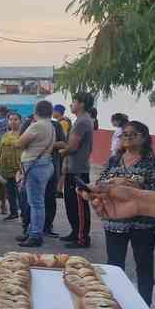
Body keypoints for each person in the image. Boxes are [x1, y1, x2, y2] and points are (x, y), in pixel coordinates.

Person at [96, 121, 155, 305]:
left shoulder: (154, 162)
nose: (127, 137)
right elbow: (99, 182)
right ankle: (114, 305)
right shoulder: (114, 160)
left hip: (144, 223)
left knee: (144, 266)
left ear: (144, 138)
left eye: (133, 134)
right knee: (114, 266)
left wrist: (133, 186)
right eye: (124, 134)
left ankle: (144, 305)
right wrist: (106, 186)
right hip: (115, 222)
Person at [55, 92, 96, 248]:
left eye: (74, 101)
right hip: (73, 168)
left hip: (78, 169)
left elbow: (72, 147)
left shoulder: (82, 121)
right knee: (71, 204)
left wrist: (58, 152)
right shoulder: (80, 120)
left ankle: (82, 238)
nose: (71, 104)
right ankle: (75, 232)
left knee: (79, 206)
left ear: (82, 104)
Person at [15, 101, 56, 248]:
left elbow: (19, 143)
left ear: (36, 111)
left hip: (35, 165)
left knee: (36, 203)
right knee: (37, 202)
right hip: (45, 164)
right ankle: (32, 231)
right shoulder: (51, 126)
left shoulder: (37, 125)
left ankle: (35, 235)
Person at [0, 111, 22, 220]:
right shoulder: (6, 134)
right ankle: (13, 212)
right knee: (10, 192)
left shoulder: (23, 134)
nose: (13, 122)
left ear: (20, 121)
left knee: (20, 192)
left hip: (19, 168)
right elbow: (0, 149)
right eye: (11, 119)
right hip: (6, 167)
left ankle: (24, 213)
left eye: (15, 119)